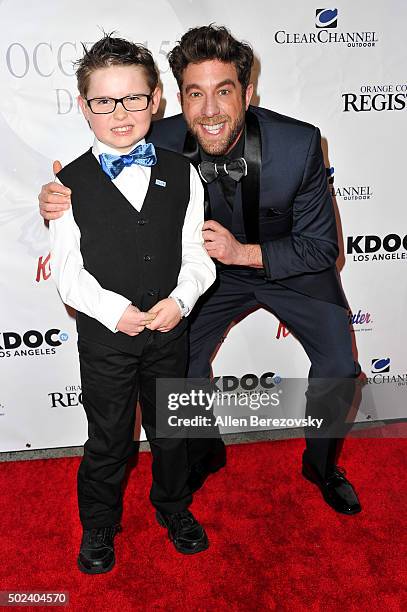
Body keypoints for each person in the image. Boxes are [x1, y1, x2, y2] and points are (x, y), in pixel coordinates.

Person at [40, 25, 361, 517]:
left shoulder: (298, 146)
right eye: (196, 94)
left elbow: (322, 250)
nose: (209, 111)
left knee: (339, 370)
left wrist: (243, 253)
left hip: (287, 269)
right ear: (176, 100)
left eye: (224, 91)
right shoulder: (152, 133)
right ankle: (203, 450)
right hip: (207, 274)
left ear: (247, 93)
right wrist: (56, 199)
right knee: (177, 367)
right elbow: (95, 176)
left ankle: (322, 467)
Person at [48, 34, 216, 574]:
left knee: (172, 434)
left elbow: (198, 254)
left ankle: (173, 507)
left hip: (170, 333)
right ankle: (99, 524)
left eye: (134, 99)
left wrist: (182, 300)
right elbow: (68, 274)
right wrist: (110, 310)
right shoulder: (67, 185)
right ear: (84, 106)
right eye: (104, 101)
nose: (120, 113)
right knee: (109, 438)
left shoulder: (183, 171)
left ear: (155, 101)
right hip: (106, 342)